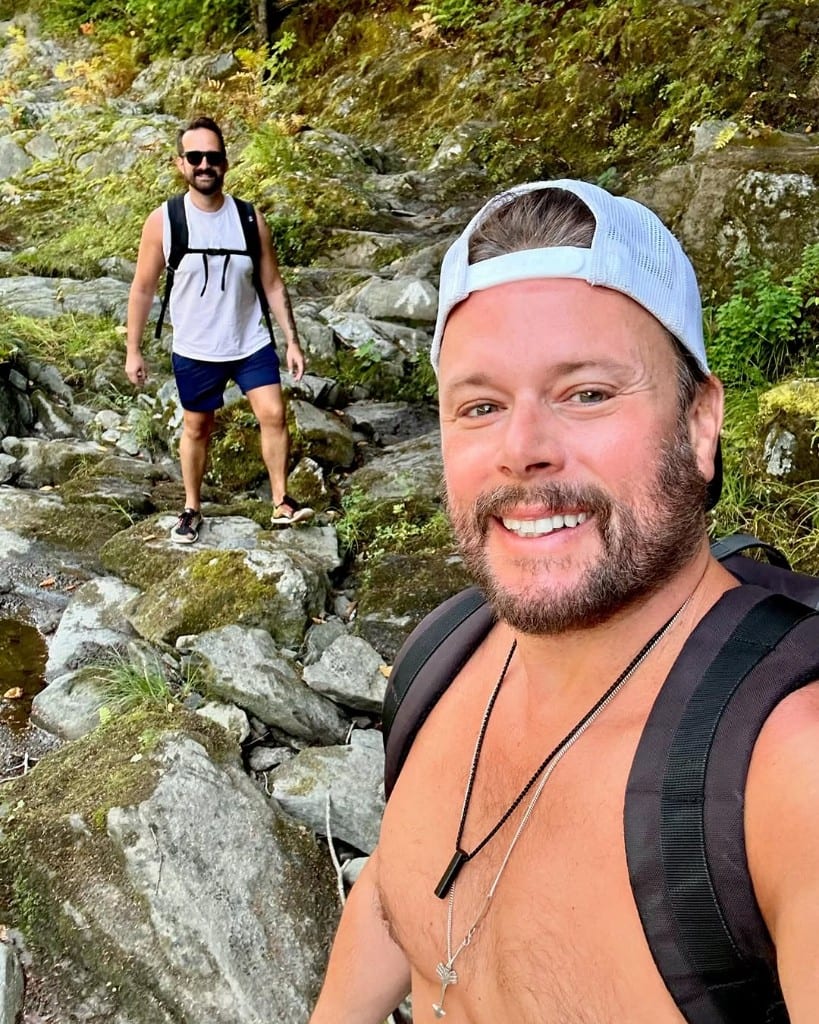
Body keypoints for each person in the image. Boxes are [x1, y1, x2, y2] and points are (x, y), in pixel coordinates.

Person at [308, 180, 819, 1022]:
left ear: (699, 422)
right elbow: (398, 902)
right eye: (480, 406)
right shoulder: (441, 659)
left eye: (585, 393)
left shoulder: (784, 772)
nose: (522, 451)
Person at [125, 115, 313, 544]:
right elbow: (142, 288)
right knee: (197, 427)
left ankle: (281, 501)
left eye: (213, 156)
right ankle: (191, 507)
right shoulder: (165, 221)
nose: (204, 164)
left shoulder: (249, 219)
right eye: (196, 157)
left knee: (273, 413)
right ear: (181, 164)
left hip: (249, 340)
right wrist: (133, 349)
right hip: (195, 346)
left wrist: (292, 342)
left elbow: (272, 283)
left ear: (225, 163)